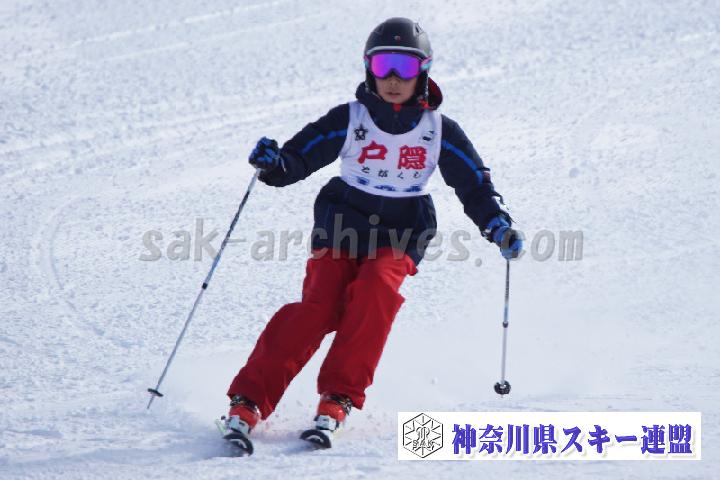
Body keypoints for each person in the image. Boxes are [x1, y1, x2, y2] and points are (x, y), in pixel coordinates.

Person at [224, 17, 522, 442]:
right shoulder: (350, 118)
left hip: (401, 231)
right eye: (384, 66)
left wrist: (497, 224)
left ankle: (338, 397)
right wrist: (275, 165)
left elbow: (474, 184)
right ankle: (249, 400)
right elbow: (300, 158)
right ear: (369, 69)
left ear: (423, 71)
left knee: (376, 289)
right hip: (342, 225)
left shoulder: (438, 130)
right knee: (319, 308)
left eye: (406, 66)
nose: (394, 79)